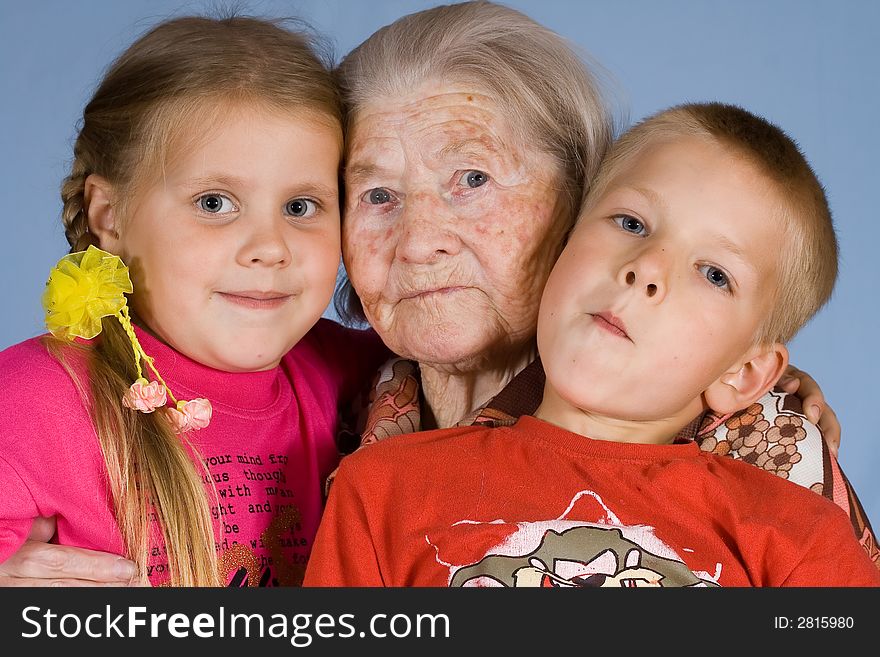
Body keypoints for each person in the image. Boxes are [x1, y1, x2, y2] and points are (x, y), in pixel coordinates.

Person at [329, 0, 877, 563]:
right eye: (378, 196)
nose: (419, 243)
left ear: (578, 198)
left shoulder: (761, 449)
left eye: (472, 178)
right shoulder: (332, 397)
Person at [0, 15, 387, 587]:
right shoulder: (36, 398)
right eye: (214, 202)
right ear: (110, 215)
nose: (269, 248)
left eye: (302, 207)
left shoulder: (360, 372)